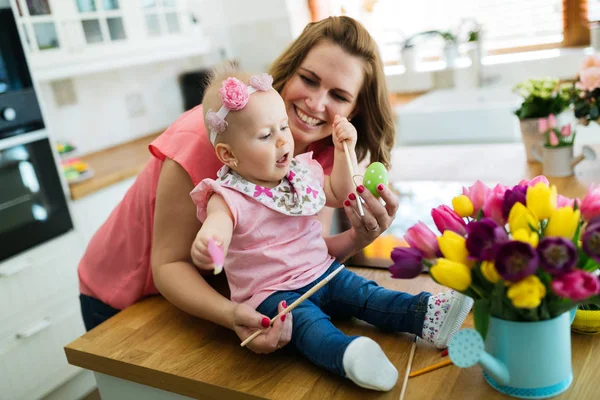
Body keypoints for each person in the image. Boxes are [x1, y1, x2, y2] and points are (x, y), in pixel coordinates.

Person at [77, 16, 399, 354]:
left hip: (210, 293)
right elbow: (170, 265)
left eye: (338, 95)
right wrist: (231, 314)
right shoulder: (207, 140)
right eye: (308, 79)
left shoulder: (322, 154)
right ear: (288, 73)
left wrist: (359, 238)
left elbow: (296, 258)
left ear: (355, 108)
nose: (316, 104)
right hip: (125, 296)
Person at [189, 69, 473, 392]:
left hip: (323, 271)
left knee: (367, 295)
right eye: (266, 135)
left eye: (283, 126)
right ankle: (349, 355)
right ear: (229, 155)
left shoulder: (297, 173)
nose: (283, 139)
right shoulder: (226, 194)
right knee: (310, 327)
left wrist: (343, 149)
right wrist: (212, 242)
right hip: (274, 296)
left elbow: (338, 193)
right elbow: (218, 226)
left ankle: (426, 315)